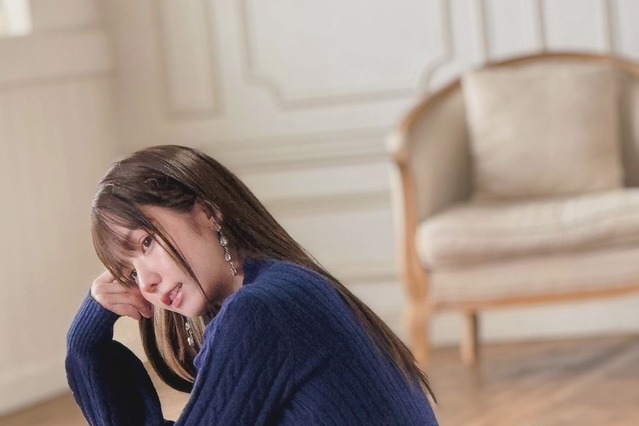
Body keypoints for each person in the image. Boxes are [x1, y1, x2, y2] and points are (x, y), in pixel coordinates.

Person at [65, 145, 439, 425]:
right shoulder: (283, 284)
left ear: (208, 213)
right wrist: (86, 343)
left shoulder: (260, 312)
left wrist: (84, 346)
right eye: (130, 273)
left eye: (147, 242)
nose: (146, 281)